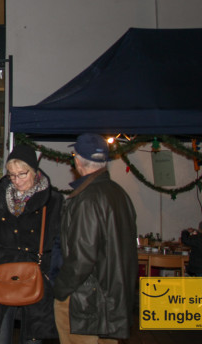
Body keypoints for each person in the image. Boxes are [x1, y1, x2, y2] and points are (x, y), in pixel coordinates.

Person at [0, 145, 63, 343]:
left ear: (34, 170)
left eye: (22, 174)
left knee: (32, 337)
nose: (17, 180)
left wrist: (50, 274)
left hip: (36, 276)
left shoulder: (53, 200)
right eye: (12, 175)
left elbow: (59, 242)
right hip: (1, 274)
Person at [53, 133, 137, 344]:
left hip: (84, 301)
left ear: (77, 160)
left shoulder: (87, 199)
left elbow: (82, 258)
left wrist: (61, 289)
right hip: (113, 299)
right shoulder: (120, 195)